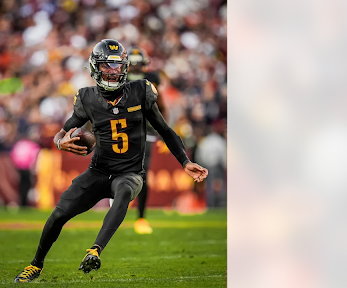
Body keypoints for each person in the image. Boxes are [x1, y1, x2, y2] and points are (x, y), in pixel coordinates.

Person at [14, 39, 208, 283]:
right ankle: (35, 265)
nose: (114, 71)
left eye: (117, 65)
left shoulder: (141, 91)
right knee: (58, 214)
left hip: (130, 173)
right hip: (99, 171)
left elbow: (165, 129)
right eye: (107, 65)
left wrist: (184, 161)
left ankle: (95, 249)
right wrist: (59, 142)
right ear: (96, 67)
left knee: (125, 190)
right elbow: (64, 131)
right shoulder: (87, 97)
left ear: (125, 67)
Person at [126, 46, 167, 234]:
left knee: (142, 174)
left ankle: (141, 217)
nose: (134, 67)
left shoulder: (151, 79)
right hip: (123, 131)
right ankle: (117, 207)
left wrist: (163, 130)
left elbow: (162, 106)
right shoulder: (120, 79)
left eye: (137, 63)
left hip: (145, 131)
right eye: (132, 64)